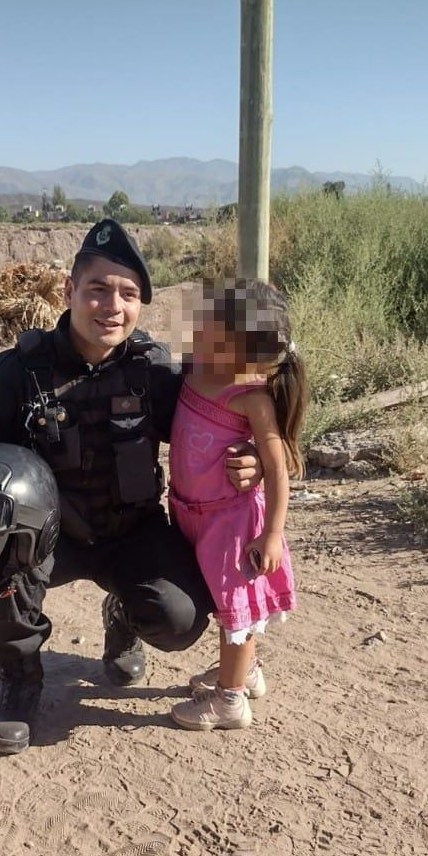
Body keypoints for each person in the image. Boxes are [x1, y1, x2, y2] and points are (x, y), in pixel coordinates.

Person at [0, 219, 263, 754]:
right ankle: (20, 680)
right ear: (70, 292)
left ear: (141, 306)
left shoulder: (154, 372)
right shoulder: (17, 375)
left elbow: (222, 420)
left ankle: (124, 615)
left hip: (132, 531)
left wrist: (252, 456)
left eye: (129, 294)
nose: (112, 306)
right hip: (46, 540)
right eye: (98, 290)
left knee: (180, 619)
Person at [166, 279, 306, 731]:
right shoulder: (194, 372)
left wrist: (272, 534)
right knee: (227, 603)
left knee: (236, 608)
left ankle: (229, 700)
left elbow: (277, 467)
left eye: (209, 327)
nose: (198, 330)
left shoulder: (250, 397)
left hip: (233, 522)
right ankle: (245, 671)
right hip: (193, 513)